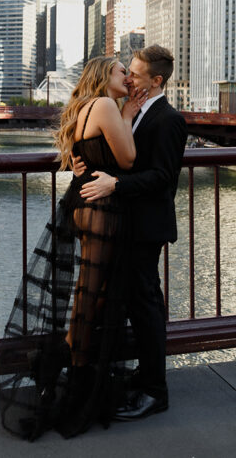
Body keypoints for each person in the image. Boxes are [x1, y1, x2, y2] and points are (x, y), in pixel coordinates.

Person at [0, 56, 146, 440]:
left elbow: (88, 158)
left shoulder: (82, 108)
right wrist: (128, 115)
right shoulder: (104, 106)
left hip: (81, 204)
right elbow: (128, 158)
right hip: (102, 208)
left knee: (88, 295)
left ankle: (67, 368)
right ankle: (75, 383)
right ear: (103, 78)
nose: (126, 77)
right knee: (91, 297)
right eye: (120, 72)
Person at [79, 45, 188, 421]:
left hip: (146, 226)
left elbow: (163, 178)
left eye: (136, 74)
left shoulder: (168, 119)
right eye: (128, 73)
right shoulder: (134, 111)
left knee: (145, 308)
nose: (129, 78)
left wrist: (116, 186)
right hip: (125, 223)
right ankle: (143, 377)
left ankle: (155, 392)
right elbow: (119, 155)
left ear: (156, 81)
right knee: (132, 304)